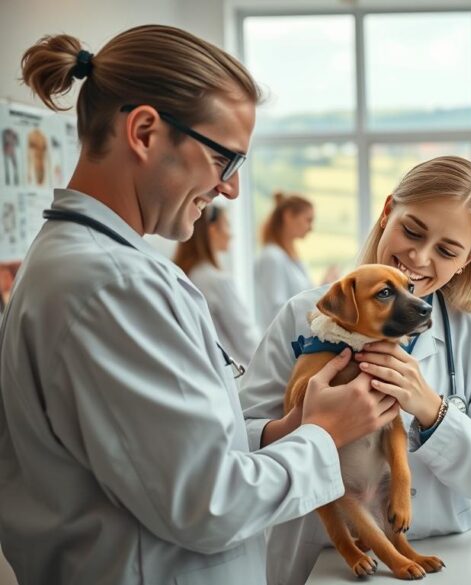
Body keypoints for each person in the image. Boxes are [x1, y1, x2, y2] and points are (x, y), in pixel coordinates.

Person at [0, 26, 399, 584]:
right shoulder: (112, 286)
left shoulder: (90, 266)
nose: (231, 190)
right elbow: (207, 507)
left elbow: (161, 449)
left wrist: (281, 431)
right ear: (144, 132)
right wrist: (323, 437)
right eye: (225, 160)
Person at [240, 155, 471, 585]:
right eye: (412, 230)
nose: (419, 256)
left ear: (469, 258)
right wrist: (305, 424)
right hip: (322, 561)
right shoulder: (306, 315)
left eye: (447, 250)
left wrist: (431, 408)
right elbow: (237, 440)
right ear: (387, 211)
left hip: (446, 556)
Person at [173, 205, 260, 366]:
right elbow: (247, 340)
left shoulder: (183, 275)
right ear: (212, 230)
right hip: (231, 377)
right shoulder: (217, 281)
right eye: (227, 224)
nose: (231, 234)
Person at [254, 191, 317, 327]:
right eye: (308, 220)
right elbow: (277, 311)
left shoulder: (290, 257)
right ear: (288, 216)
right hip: (284, 341)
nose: (311, 228)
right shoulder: (272, 258)